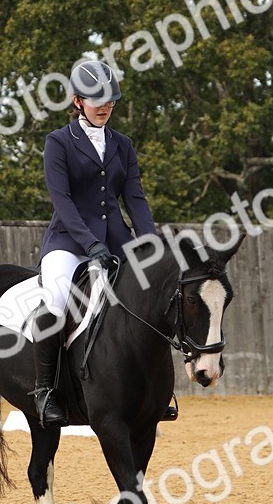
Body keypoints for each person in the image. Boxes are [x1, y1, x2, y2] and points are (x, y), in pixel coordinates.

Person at [31, 60, 169, 427]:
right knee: (58, 301)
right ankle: (45, 391)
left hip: (117, 242)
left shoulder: (123, 145)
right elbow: (62, 200)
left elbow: (135, 199)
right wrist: (90, 244)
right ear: (77, 101)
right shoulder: (58, 142)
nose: (105, 107)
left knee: (152, 295)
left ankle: (159, 389)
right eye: (96, 101)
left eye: (110, 100)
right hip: (68, 241)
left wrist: (150, 244)